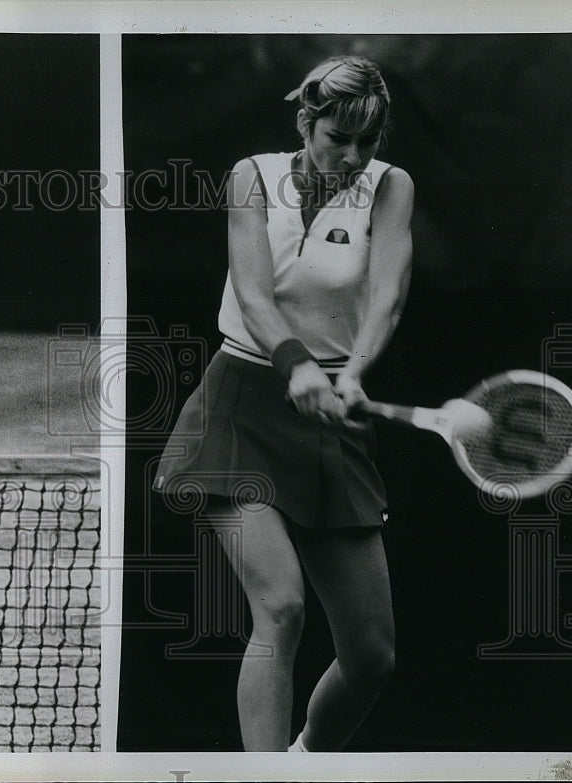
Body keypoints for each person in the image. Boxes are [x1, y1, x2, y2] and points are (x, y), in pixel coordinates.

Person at [153, 55, 414, 752]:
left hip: (332, 419)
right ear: (308, 122)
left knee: (372, 657)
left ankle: (303, 759)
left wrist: (353, 372)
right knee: (282, 606)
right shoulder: (252, 176)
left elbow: (386, 295)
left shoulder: (390, 188)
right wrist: (295, 364)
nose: (355, 156)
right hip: (240, 405)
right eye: (339, 138)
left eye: (370, 141)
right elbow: (252, 290)